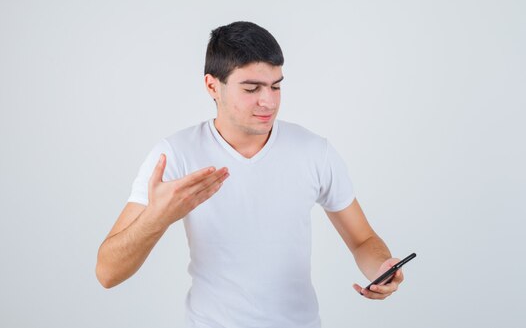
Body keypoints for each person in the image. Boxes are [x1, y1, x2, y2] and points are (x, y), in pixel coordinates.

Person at [96, 21, 405, 327]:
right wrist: (158, 216)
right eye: (251, 88)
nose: (268, 101)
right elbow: (107, 272)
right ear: (212, 85)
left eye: (276, 85)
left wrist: (383, 267)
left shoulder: (314, 151)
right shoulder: (174, 155)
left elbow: (363, 239)